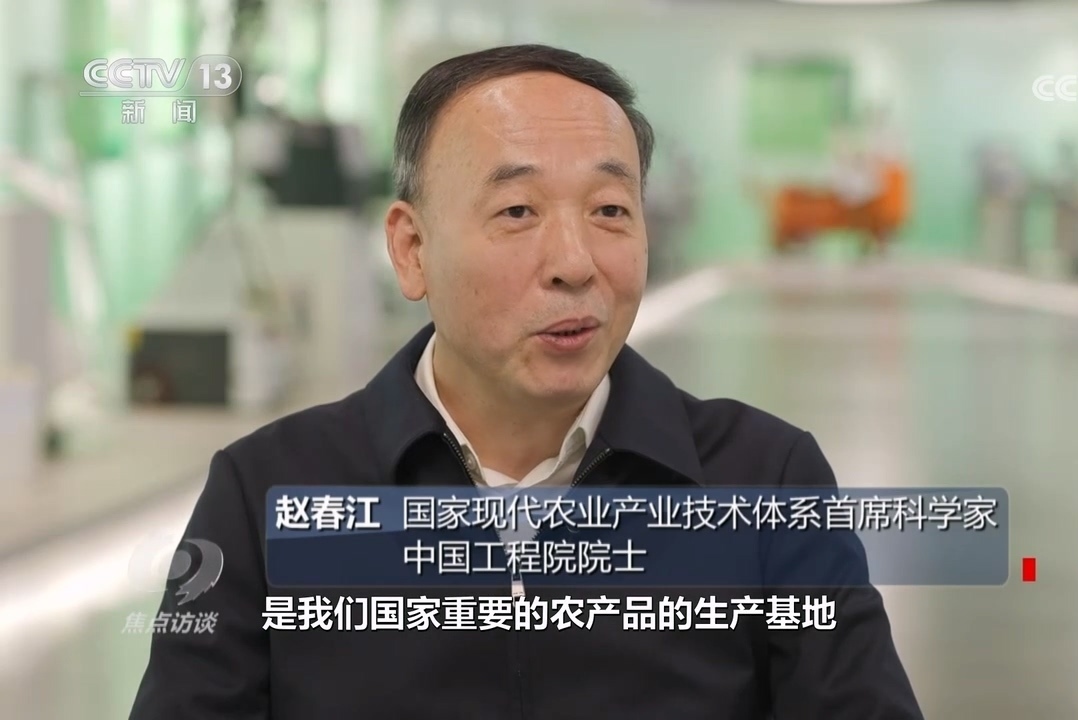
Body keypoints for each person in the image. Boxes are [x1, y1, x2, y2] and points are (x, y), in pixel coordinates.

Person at [128, 44, 923, 719]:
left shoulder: (765, 480)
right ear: (411, 249)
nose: (575, 264)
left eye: (610, 211)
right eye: (517, 211)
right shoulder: (268, 492)